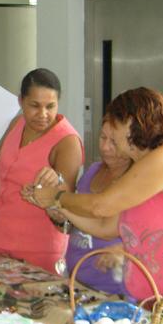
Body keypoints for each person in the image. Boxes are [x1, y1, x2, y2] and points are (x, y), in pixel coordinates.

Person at [27, 87, 163, 324]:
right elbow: (105, 227)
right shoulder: (140, 168)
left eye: (116, 123)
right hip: (154, 306)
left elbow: (100, 206)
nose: (109, 133)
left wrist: (58, 197)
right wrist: (57, 205)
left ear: (134, 124)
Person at [0, 68, 83, 273]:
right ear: (21, 101)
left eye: (50, 106)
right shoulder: (17, 124)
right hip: (0, 238)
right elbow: (1, 175)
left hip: (40, 248)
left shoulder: (67, 141)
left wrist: (54, 185)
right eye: (34, 106)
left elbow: (67, 201)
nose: (43, 114)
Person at [58, 119, 130, 295]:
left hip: (113, 290)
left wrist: (125, 249)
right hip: (77, 282)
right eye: (102, 137)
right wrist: (58, 214)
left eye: (114, 142)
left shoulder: (135, 183)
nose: (105, 147)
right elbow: (75, 221)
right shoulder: (93, 170)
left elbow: (148, 233)